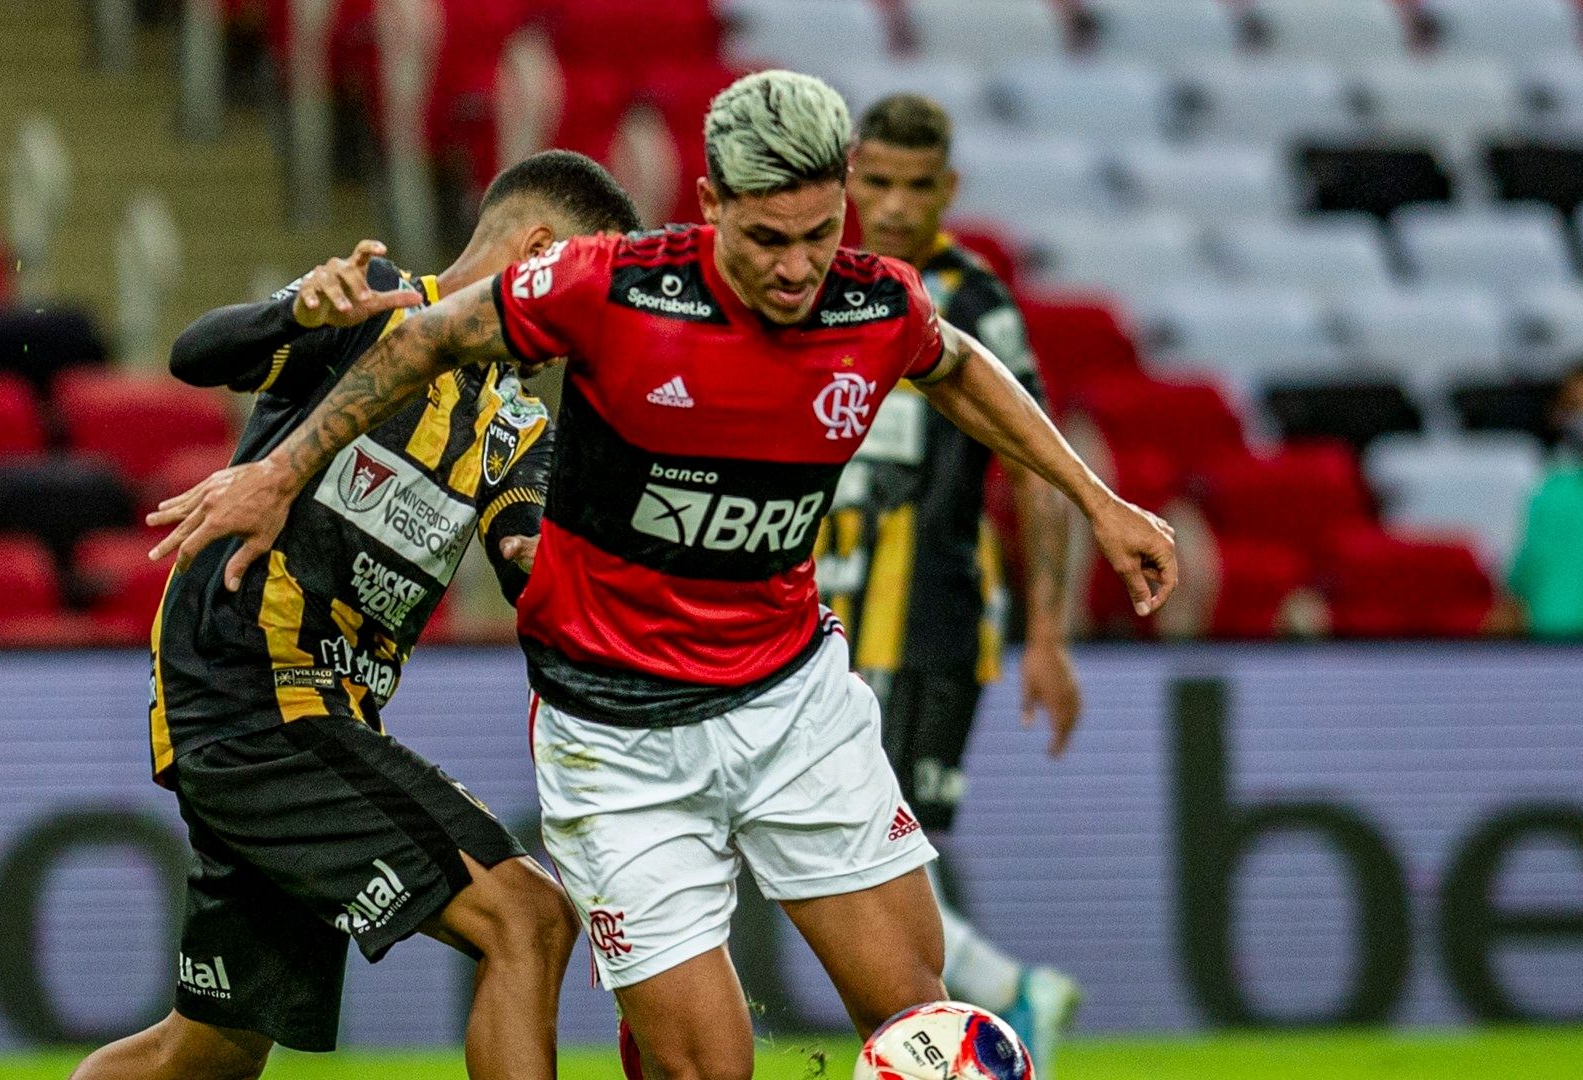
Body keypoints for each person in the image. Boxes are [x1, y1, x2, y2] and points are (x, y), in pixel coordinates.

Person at [146, 71, 1176, 1080]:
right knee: (591, 974)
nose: (795, 269)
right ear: (713, 206)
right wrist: (280, 457)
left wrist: (1099, 499)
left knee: (916, 1018)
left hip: (788, 701)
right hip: (566, 734)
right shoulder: (580, 290)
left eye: (820, 236)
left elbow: (952, 362)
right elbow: (357, 342)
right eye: (768, 238)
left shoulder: (859, 310)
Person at [70, 150, 641, 1080]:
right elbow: (195, 356)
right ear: (538, 250)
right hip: (253, 692)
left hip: (316, 715)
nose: (589, 320)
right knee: (528, 920)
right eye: (584, 279)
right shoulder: (375, 304)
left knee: (205, 1052)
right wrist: (293, 312)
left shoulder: (520, 426)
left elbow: (526, 553)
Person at [836, 93, 1081, 1073]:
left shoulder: (973, 303)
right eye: (878, 181)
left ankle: (976, 1017)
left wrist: (1050, 635)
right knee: (849, 853)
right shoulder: (827, 285)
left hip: (929, 613)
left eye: (916, 185)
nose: (894, 205)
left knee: (876, 856)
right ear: (850, 179)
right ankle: (1005, 995)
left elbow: (1039, 467)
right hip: (830, 618)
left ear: (949, 188)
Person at [1509, 359, 1583, 639]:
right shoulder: (1548, 490)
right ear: (1561, 414)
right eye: (1582, 408)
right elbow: (1521, 586)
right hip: (1550, 654)